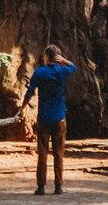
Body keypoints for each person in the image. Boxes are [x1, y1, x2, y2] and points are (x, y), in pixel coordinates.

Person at [23, 44, 75, 194]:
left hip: (44, 118)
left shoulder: (39, 72)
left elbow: (30, 92)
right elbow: (74, 67)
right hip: (59, 117)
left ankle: (41, 186)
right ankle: (58, 185)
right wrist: (64, 60)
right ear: (57, 57)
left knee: (43, 152)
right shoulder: (63, 71)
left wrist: (22, 108)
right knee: (59, 153)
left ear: (46, 56)